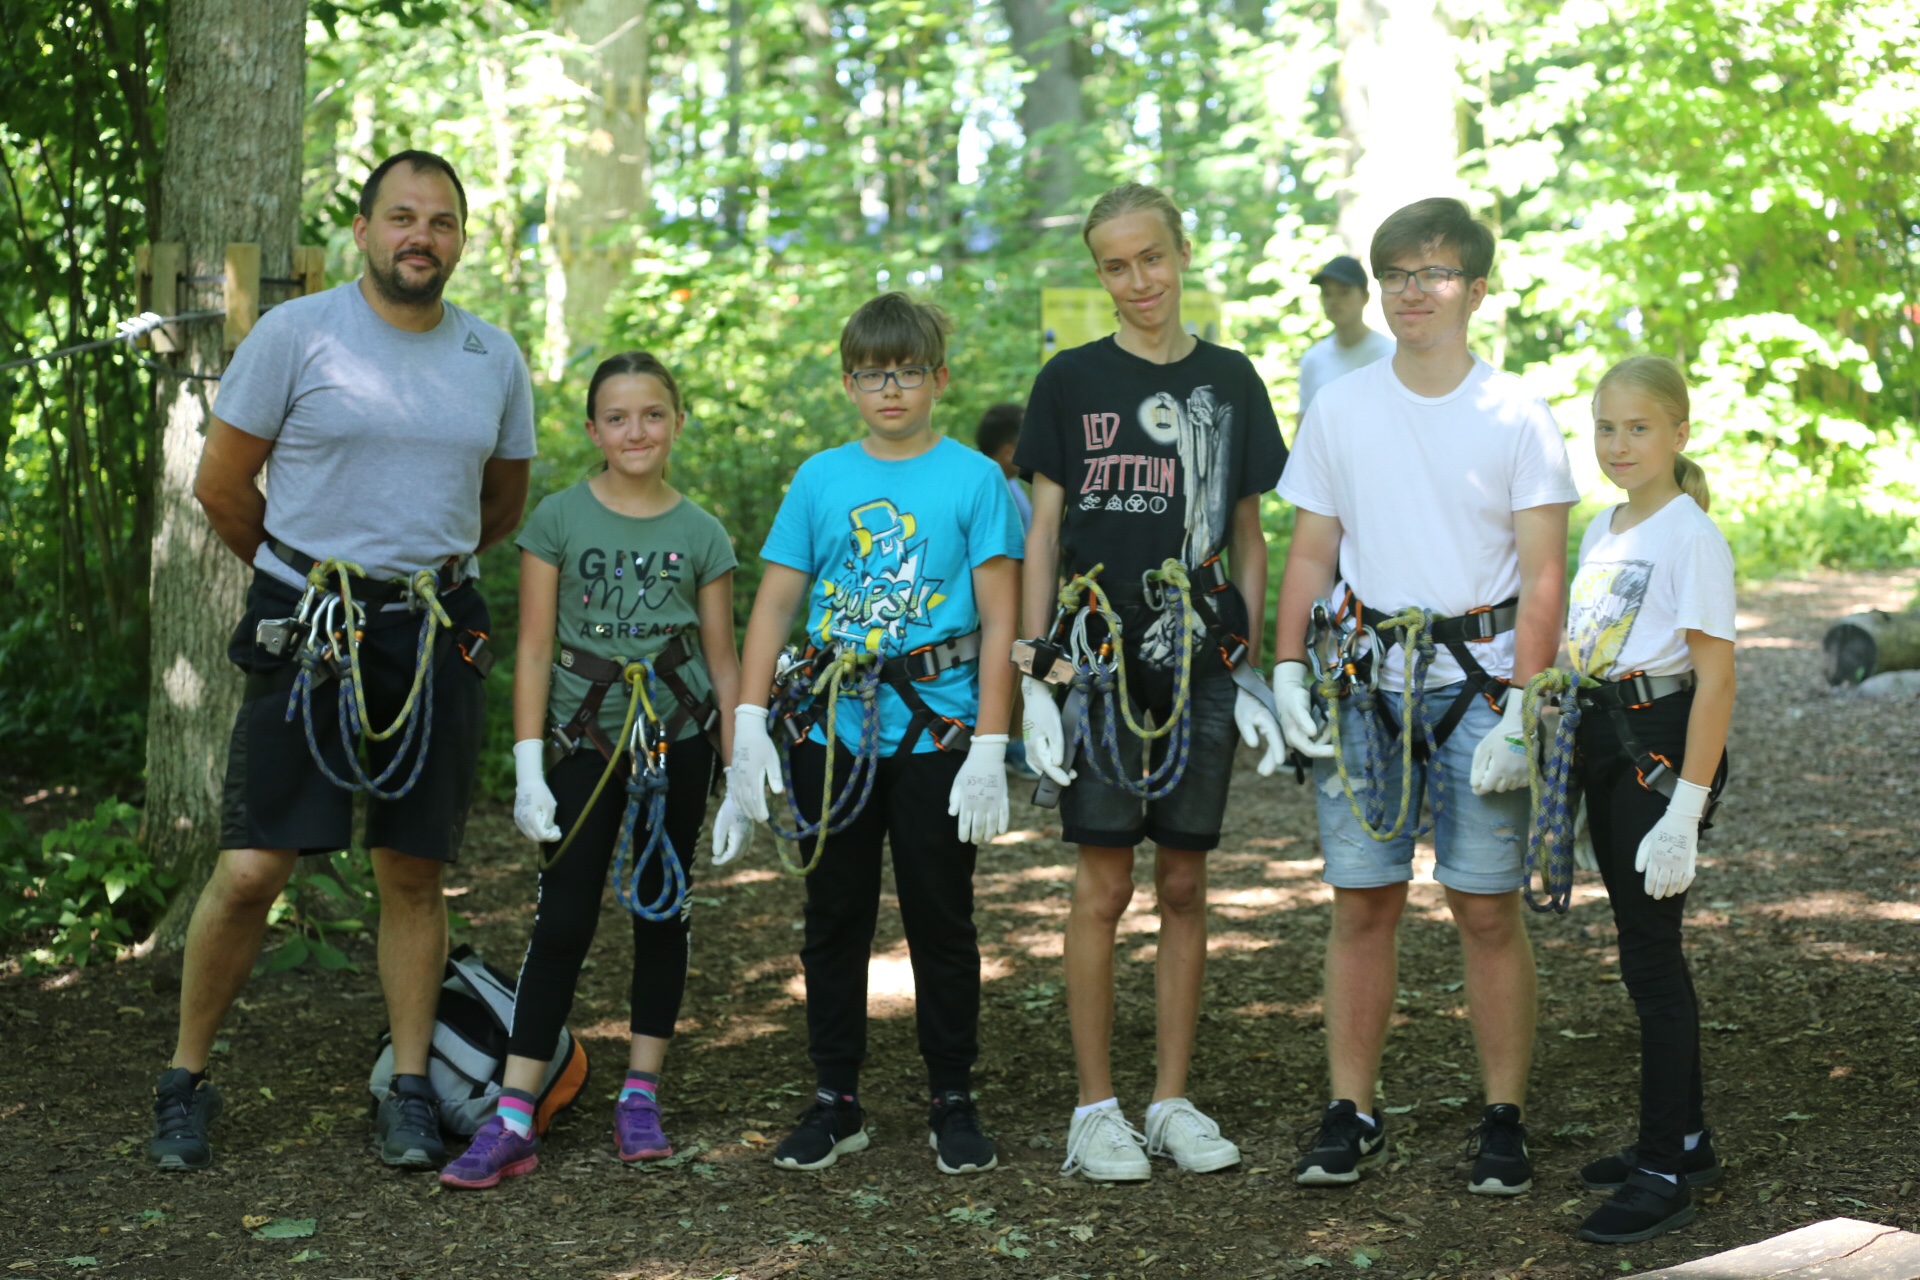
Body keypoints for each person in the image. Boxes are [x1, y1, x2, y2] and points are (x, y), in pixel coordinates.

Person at [153, 150, 534, 1172]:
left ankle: (410, 1088)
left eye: (441, 221)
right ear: (364, 230)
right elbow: (221, 486)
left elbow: (500, 505)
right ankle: (183, 1080)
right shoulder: (295, 334)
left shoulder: (491, 356)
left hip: (434, 624)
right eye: (402, 217)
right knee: (252, 867)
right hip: (309, 622)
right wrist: (308, 578)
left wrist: (413, 574)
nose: (422, 236)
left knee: (414, 868)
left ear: (461, 239)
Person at [1271, 197, 1578, 1195]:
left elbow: (1544, 573)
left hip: (1481, 684)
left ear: (1476, 289)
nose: (1413, 291)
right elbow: (1311, 551)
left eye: (1436, 272)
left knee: (1485, 907)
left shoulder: (1518, 414)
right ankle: (1350, 1109)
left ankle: (1503, 1116)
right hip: (1365, 680)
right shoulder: (1342, 407)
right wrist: (1287, 667)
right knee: (1362, 902)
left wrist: (1526, 705)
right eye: (1397, 273)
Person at [1015, 182, 1288, 1182]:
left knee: (1183, 879)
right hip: (1097, 661)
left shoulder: (1231, 378)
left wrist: (1247, 661)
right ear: (1099, 273)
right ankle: (1096, 1110)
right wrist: (1038, 670)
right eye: (1115, 266)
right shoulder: (1070, 379)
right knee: (1102, 882)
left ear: (1182, 252)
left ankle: (1171, 1099)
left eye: (1152, 257)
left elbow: (1250, 535)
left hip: (1198, 659)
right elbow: (1044, 531)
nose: (1138, 281)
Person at [728, 292, 1023, 1176]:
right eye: (870, 374)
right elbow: (775, 604)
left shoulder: (973, 479)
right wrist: (748, 720)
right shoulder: (821, 479)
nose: (889, 389)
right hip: (831, 729)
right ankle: (836, 1098)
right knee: (834, 915)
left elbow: (1002, 619)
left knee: (942, 917)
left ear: (940, 378)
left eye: (906, 372)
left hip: (936, 732)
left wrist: (991, 745)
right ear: (848, 383)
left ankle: (951, 1095)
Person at [438, 351, 749, 1189]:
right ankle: (513, 1113)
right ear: (592, 430)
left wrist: (738, 772)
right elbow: (534, 648)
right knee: (563, 918)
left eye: (652, 414)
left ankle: (640, 1093)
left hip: (676, 739)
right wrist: (527, 765)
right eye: (618, 418)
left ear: (676, 422)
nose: (635, 431)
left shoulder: (703, 533)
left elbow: (722, 660)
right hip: (584, 741)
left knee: (662, 909)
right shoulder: (559, 519)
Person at [1560, 356, 1734, 1244]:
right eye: (1605, 427)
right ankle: (1686, 1139)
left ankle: (1663, 1169)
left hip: (1658, 750)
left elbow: (1716, 681)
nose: (1619, 444)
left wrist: (1685, 808)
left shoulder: (1689, 536)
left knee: (1653, 960)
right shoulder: (1607, 525)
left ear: (1679, 433)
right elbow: (1594, 645)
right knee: (1640, 948)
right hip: (1605, 738)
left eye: (1638, 427)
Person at [977, 402, 1039, 780]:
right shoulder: (993, 486)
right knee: (1015, 664)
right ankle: (1011, 741)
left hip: (1023, 597)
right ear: (1007, 450)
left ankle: (1018, 738)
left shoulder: (1014, 484)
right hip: (1007, 601)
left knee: (1025, 665)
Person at [1295, 254, 1395, 424]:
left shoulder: (1390, 355)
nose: (1334, 301)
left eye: (1344, 292)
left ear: (1365, 297)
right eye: (1327, 294)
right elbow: (1305, 425)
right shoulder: (1313, 359)